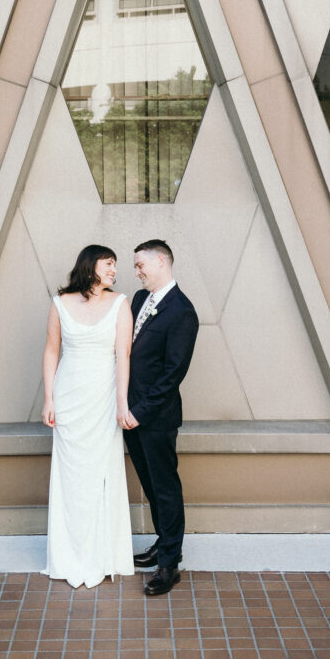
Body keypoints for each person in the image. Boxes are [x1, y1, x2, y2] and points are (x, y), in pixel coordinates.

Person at [41, 244, 134, 588]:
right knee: (71, 475)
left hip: (104, 398)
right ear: (90, 265)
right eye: (108, 264)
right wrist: (49, 398)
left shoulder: (120, 303)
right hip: (68, 398)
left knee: (100, 472)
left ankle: (102, 554)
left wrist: (122, 404)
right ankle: (69, 555)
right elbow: (52, 351)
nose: (114, 271)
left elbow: (123, 357)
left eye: (115, 266)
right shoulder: (60, 303)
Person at [119, 239, 199, 596]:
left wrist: (139, 412)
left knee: (165, 489)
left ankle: (169, 564)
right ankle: (163, 542)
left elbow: (173, 373)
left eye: (140, 265)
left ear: (162, 261)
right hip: (130, 413)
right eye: (135, 267)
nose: (136, 272)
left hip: (156, 417)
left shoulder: (182, 311)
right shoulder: (138, 300)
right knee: (151, 487)